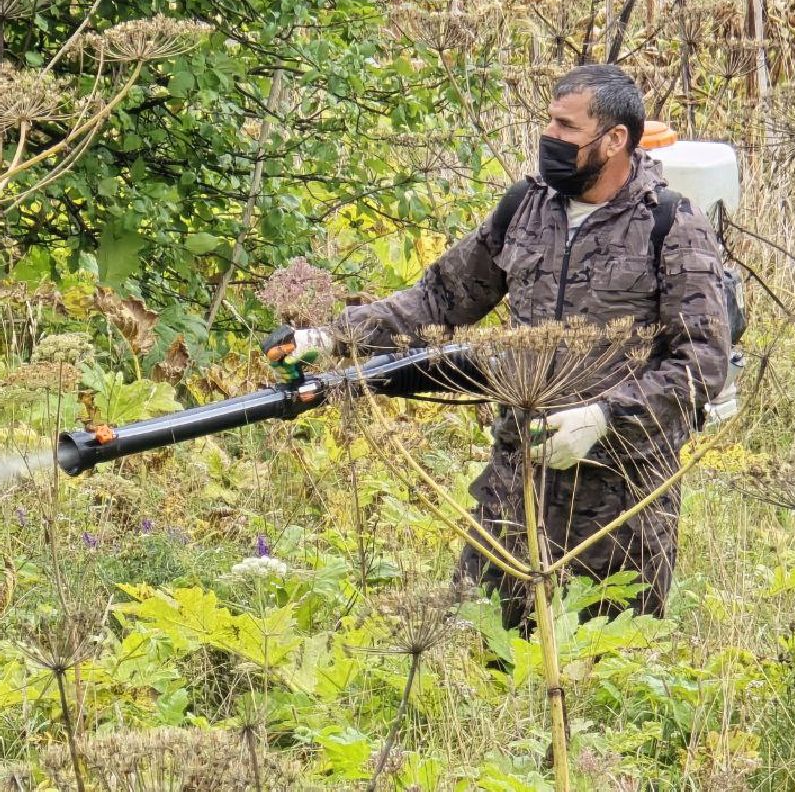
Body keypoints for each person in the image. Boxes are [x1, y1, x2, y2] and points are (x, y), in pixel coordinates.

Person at [263, 64, 731, 627]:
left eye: (567, 127)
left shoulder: (670, 225)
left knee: (605, 680)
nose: (550, 138)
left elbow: (701, 361)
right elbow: (439, 298)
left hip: (619, 504)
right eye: (550, 123)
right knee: (486, 655)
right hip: (517, 488)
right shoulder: (524, 209)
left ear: (615, 140)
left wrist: (605, 418)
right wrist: (335, 337)